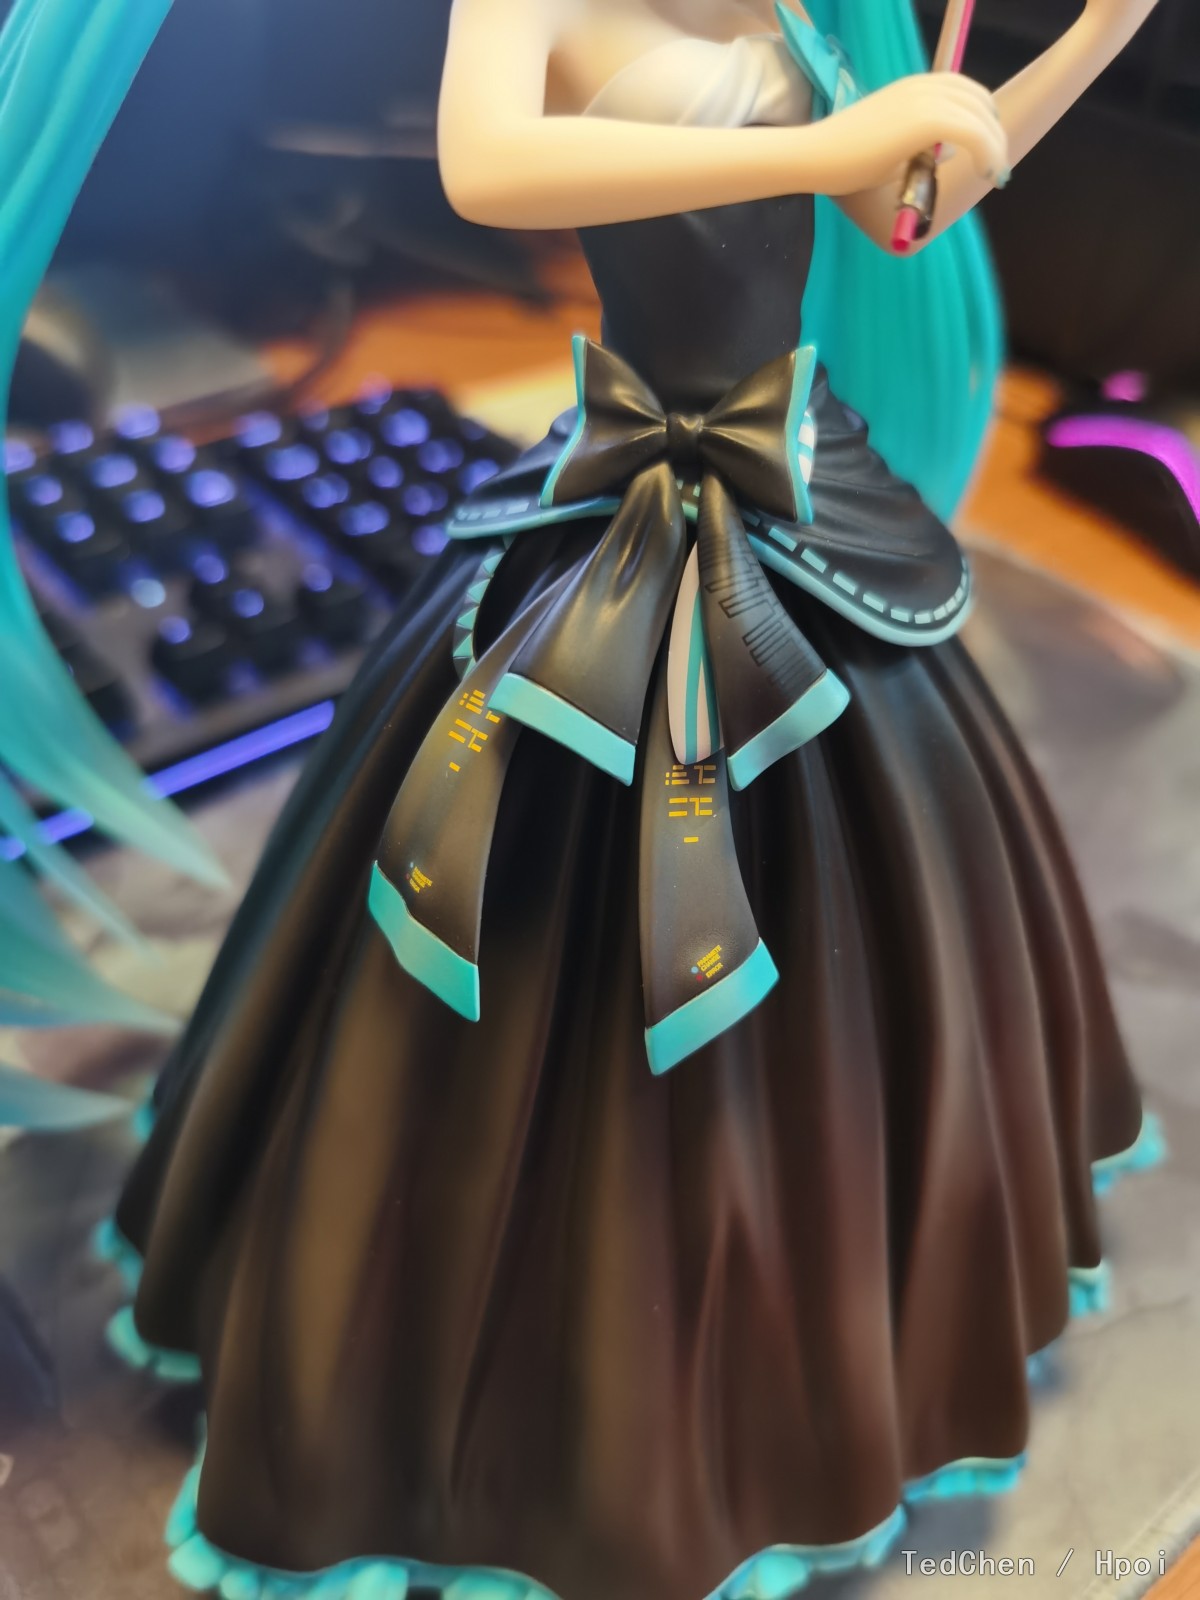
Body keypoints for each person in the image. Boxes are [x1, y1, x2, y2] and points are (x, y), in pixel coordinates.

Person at [94, 1, 1167, 1596]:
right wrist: (830, 140)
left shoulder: (808, 9)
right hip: (625, 494)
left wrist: (1092, 36)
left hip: (795, 483)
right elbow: (484, 164)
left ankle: (813, 1367)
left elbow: (909, 207)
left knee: (871, 926)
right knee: (503, 923)